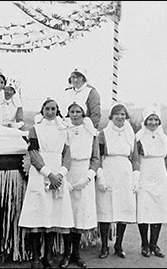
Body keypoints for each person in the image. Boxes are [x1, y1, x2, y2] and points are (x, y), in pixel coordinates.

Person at [19, 98, 74, 268]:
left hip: (58, 174)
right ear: (42, 110)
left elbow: (67, 155)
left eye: (53, 109)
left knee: (53, 214)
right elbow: (33, 153)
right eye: (47, 109)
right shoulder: (35, 129)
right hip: (41, 173)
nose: (50, 112)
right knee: (38, 215)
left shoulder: (64, 130)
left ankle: (47, 256)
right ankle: (36, 257)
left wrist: (60, 174)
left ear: (57, 111)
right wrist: (48, 174)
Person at [95, 103, 139, 260]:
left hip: (124, 173)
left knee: (123, 209)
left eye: (122, 114)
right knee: (106, 209)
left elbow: (135, 158)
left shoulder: (130, 134)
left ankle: (119, 244)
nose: (120, 117)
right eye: (117, 114)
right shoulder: (103, 134)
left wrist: (136, 177)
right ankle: (104, 246)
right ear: (111, 116)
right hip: (108, 170)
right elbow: (98, 156)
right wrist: (100, 176)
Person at [59, 101, 99, 268]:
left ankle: (76, 253)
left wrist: (88, 177)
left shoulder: (91, 132)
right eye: (72, 111)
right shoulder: (63, 130)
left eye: (78, 111)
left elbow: (96, 158)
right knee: (67, 214)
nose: (75, 114)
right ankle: (66, 253)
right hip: (67, 171)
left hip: (83, 174)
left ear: (83, 114)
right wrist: (63, 178)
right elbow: (59, 154)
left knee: (80, 215)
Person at [135, 106, 167, 258]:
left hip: (159, 174)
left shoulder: (163, 138)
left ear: (159, 121)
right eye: (150, 119)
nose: (153, 122)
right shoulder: (139, 138)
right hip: (145, 173)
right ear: (145, 121)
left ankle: (154, 244)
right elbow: (135, 157)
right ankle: (144, 244)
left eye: (155, 119)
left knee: (158, 209)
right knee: (145, 208)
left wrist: (159, 169)